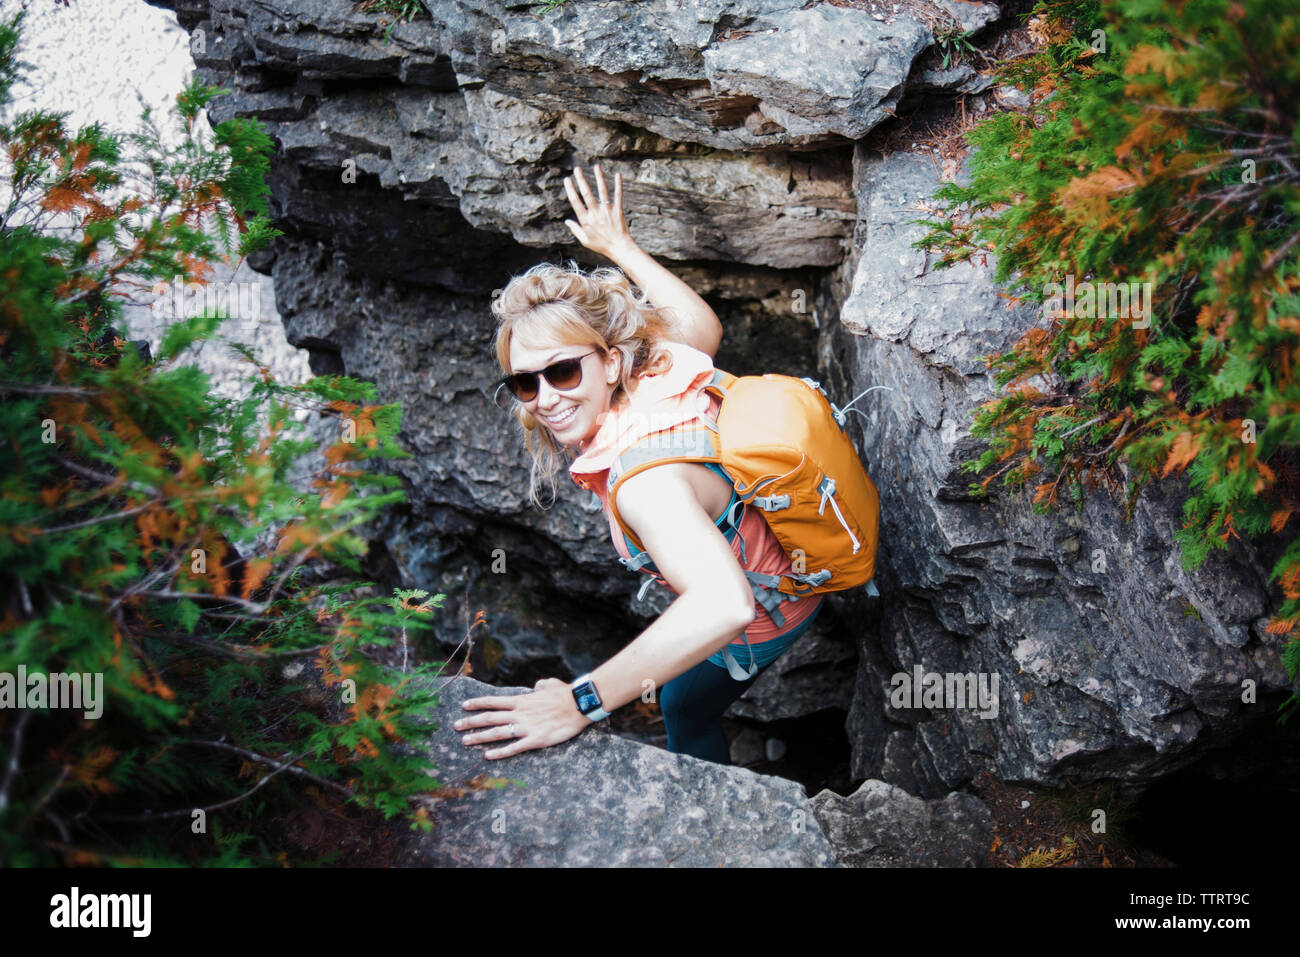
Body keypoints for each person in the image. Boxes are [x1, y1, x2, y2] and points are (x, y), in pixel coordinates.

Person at [454, 164, 824, 765]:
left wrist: (579, 702)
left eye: (563, 371)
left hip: (767, 610)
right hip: (786, 561)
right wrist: (618, 246)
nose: (546, 397)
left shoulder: (645, 484)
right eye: (525, 382)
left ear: (610, 363)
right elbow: (703, 326)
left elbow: (723, 607)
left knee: (680, 705)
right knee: (677, 695)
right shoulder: (660, 371)